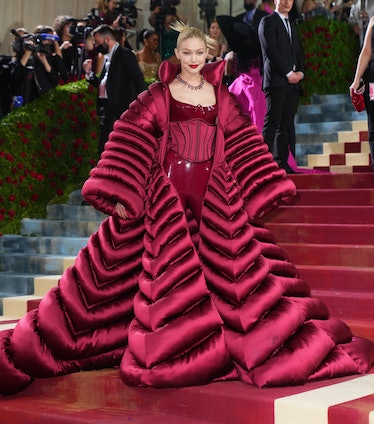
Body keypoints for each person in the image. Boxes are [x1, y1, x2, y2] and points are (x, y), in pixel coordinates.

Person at [1, 23, 374, 397]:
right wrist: (122, 191)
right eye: (188, 53)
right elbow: (129, 134)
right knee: (113, 279)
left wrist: (264, 185)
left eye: (201, 53)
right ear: (177, 55)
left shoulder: (221, 96)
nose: (195, 60)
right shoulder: (158, 95)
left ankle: (209, 344)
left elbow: (243, 138)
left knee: (236, 278)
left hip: (214, 198)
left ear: (207, 54)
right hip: (164, 198)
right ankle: (141, 342)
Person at [82, 24, 146, 158]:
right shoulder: (107, 58)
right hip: (106, 110)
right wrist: (89, 75)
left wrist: (143, 108)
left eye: (97, 42)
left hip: (121, 111)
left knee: (118, 149)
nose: (95, 45)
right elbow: (106, 85)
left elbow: (138, 81)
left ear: (107, 40)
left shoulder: (125, 55)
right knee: (105, 147)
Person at [258, 0, 305, 174]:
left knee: (286, 124)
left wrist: (300, 72)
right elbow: (271, 50)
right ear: (275, 1)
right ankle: (262, 165)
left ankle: (281, 162)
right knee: (273, 122)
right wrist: (288, 73)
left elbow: (298, 51)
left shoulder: (291, 25)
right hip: (277, 81)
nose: (286, 2)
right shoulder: (268, 21)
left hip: (292, 82)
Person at [217, 0, 268, 131]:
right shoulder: (238, 19)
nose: (247, 1)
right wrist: (229, 54)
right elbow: (232, 44)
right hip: (240, 70)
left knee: (255, 106)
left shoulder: (265, 16)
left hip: (258, 71)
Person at [350, 15, 374, 170]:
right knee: (373, 127)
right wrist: (357, 79)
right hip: (373, 78)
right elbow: (366, 51)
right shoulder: (373, 20)